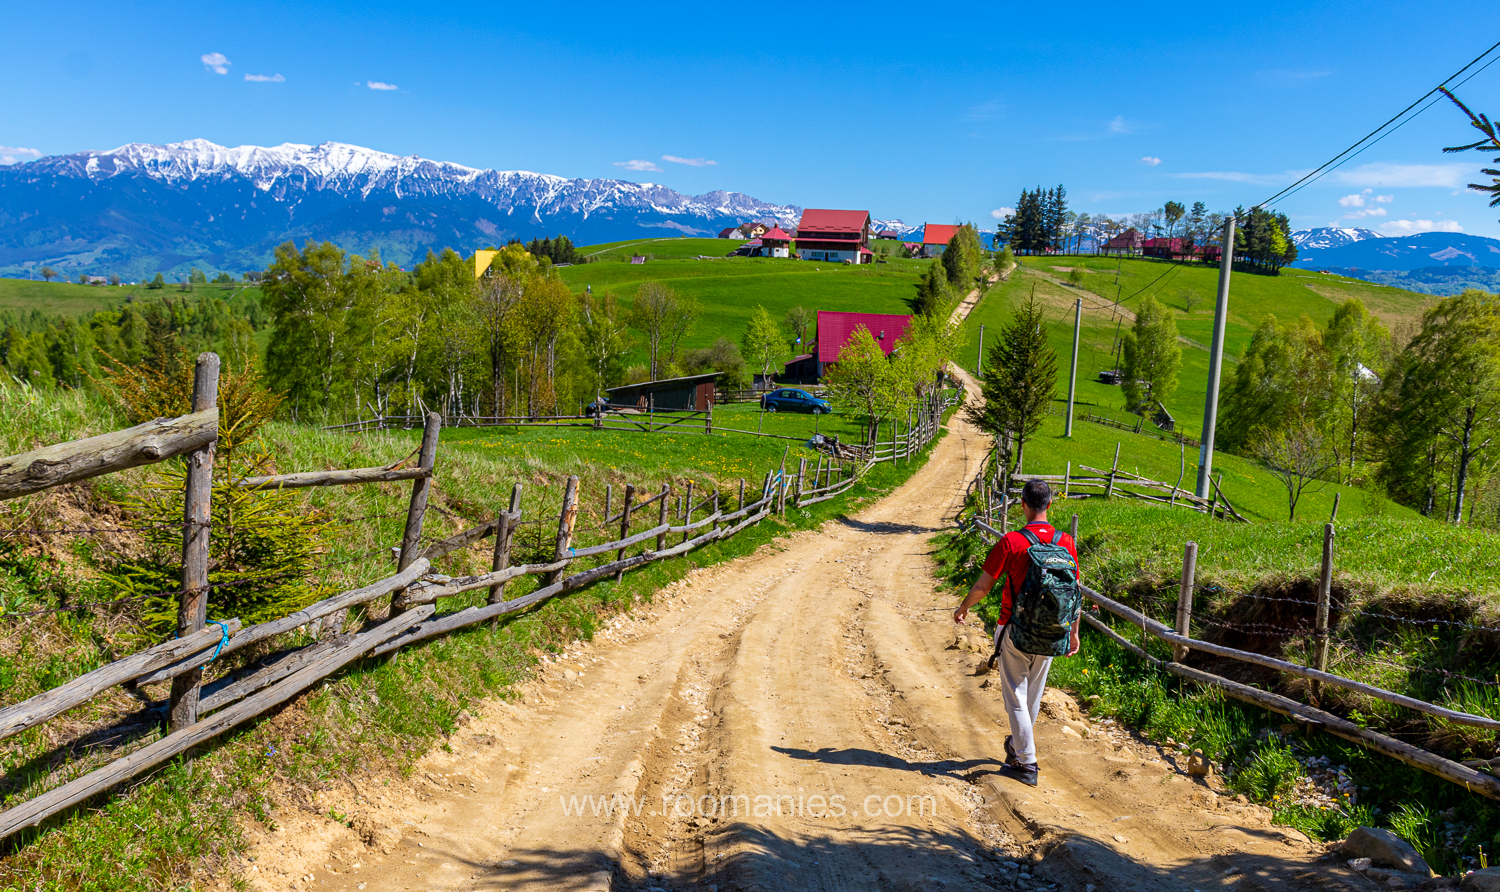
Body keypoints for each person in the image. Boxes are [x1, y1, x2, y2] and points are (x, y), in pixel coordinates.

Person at [952, 479, 1081, 787]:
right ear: (1049, 505)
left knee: (1015, 698)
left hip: (1015, 628)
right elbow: (1074, 592)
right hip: (1053, 631)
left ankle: (1027, 763)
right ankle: (1017, 749)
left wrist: (963, 608)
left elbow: (984, 585)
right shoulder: (1066, 542)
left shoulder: (1012, 542)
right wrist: (1074, 632)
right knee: (1032, 694)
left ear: (1022, 505)